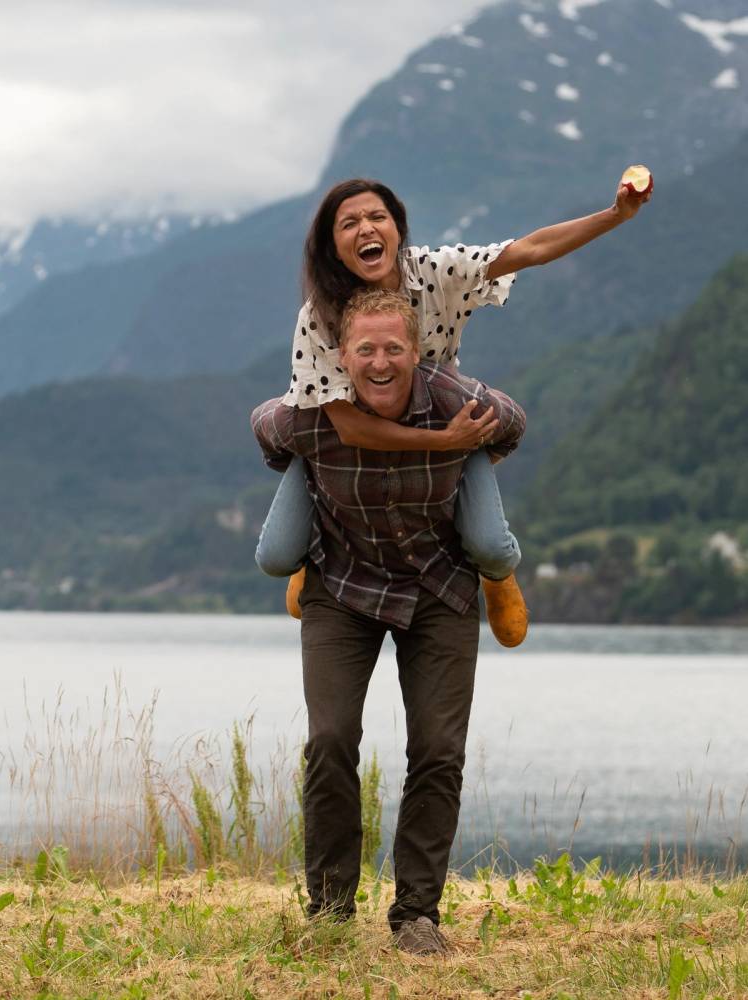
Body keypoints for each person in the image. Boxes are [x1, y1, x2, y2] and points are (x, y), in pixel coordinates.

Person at [256, 174, 652, 646]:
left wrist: (616, 214)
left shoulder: (434, 270)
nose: (366, 228)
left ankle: (496, 578)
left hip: (440, 414)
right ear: (332, 246)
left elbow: (530, 249)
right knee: (276, 556)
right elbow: (347, 426)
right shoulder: (318, 315)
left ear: (398, 230)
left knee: (492, 547)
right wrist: (443, 442)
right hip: (348, 442)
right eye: (349, 223)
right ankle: (316, 550)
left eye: (377, 217)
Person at [252, 288, 526, 954]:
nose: (380, 362)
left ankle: (416, 917)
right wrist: (299, 462)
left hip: (440, 588)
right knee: (331, 739)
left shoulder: (451, 397)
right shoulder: (314, 413)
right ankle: (330, 910)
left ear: (417, 351)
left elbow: (515, 423)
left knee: (437, 748)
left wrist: (477, 419)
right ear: (341, 356)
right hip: (341, 587)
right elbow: (264, 425)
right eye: (365, 349)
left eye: (394, 348)